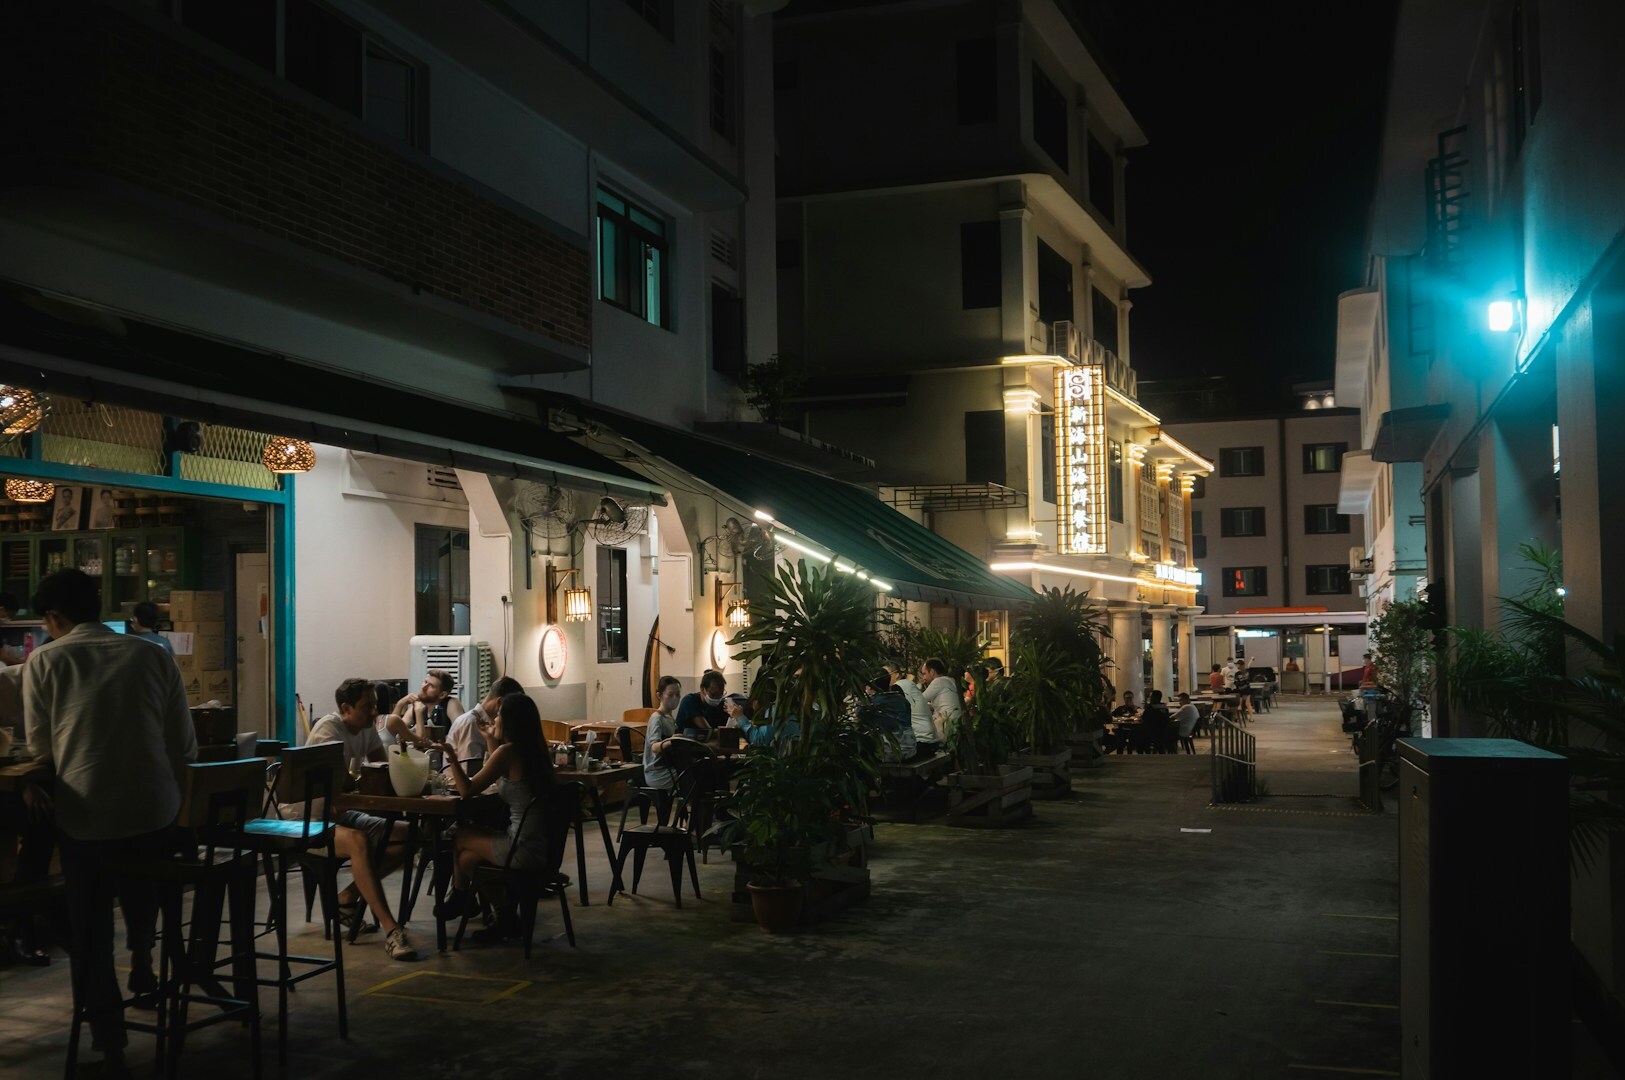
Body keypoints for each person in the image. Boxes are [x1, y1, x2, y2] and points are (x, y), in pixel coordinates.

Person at [23, 569, 197, 1073]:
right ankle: (145, 958)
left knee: (89, 927)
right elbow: (182, 746)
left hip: (88, 820)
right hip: (156, 814)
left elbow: (41, 749)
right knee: (143, 872)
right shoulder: (151, 654)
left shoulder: (46, 660)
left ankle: (108, 1037)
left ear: (53, 618)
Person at [299, 678, 419, 962]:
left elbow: (382, 771)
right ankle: (392, 930)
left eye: (375, 705)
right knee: (358, 841)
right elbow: (337, 789)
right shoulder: (329, 730)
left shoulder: (365, 729)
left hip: (340, 813)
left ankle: (346, 897)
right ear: (345, 708)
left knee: (411, 835)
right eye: (367, 706)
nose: (374, 712)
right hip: (307, 820)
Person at [432, 693, 556, 935]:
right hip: (543, 847)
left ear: (510, 721)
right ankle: (504, 915)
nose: (494, 719)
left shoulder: (508, 752)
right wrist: (491, 739)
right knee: (467, 859)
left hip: (520, 848)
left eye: (498, 716)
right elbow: (502, 773)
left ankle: (460, 896)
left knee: (459, 834)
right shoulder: (535, 751)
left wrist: (451, 756)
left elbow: (467, 790)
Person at [443, 676, 522, 767]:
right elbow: (470, 770)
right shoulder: (471, 723)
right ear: (500, 703)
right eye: (512, 709)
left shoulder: (489, 725)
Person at [386, 670, 465, 749]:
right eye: (425, 682)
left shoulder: (451, 704)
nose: (424, 687)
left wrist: (436, 746)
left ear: (442, 695)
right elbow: (393, 728)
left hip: (445, 757)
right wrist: (400, 704)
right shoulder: (417, 706)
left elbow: (463, 736)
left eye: (431, 686)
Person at [642, 676, 682, 816]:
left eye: (677, 695)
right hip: (657, 772)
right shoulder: (657, 718)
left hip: (668, 769)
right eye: (670, 695)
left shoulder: (670, 718)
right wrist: (672, 741)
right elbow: (654, 746)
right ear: (660, 695)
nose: (675, 698)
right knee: (691, 778)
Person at [885, 663, 939, 756]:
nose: (883, 678)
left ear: (897, 674)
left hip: (921, 742)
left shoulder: (899, 686)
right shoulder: (908, 684)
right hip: (930, 741)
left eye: (886, 674)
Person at [863, 671, 916, 762]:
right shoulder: (901, 699)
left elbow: (859, 716)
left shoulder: (871, 704)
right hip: (910, 750)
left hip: (887, 753)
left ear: (871, 687)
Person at [920, 657, 962, 744]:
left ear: (932, 672)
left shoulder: (938, 681)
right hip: (957, 722)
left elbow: (920, 699)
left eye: (924, 674)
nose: (923, 678)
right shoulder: (951, 680)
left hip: (947, 724)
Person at [675, 670, 727, 738]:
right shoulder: (689, 701)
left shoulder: (722, 704)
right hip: (687, 745)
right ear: (702, 689)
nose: (717, 699)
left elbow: (728, 729)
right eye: (713, 695)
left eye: (720, 695)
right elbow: (707, 730)